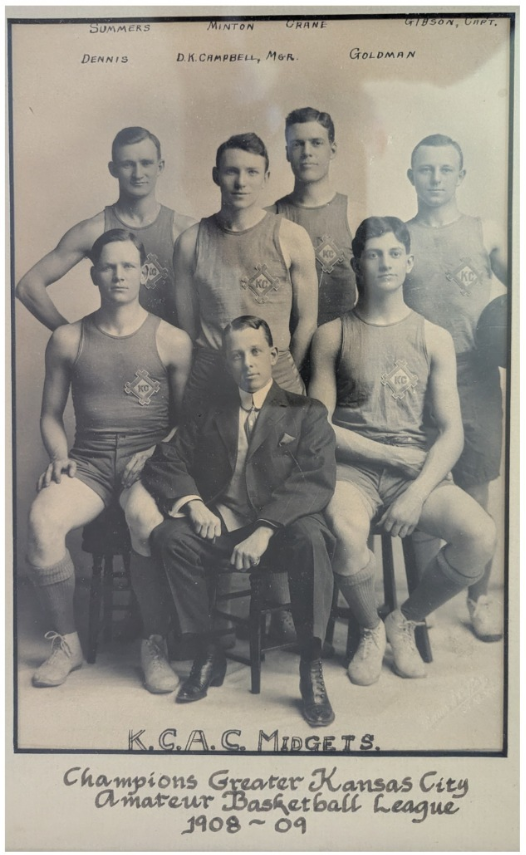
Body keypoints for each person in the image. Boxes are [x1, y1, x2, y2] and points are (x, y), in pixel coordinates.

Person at [309, 216, 496, 686]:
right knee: (348, 533)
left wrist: (415, 494)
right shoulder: (332, 333)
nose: (385, 263)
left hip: (416, 470)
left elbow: (452, 431)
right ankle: (371, 629)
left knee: (480, 535)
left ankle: (405, 620)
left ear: (409, 262)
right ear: (357, 265)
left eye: (394, 253)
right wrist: (389, 458)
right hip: (351, 469)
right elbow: (318, 426)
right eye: (374, 254)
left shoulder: (435, 337)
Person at [142, 316, 336, 727]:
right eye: (236, 355)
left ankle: (310, 666)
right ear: (226, 364)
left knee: (313, 540)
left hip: (282, 529)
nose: (247, 362)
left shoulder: (306, 413)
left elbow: (313, 481)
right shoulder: (210, 412)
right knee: (170, 537)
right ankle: (206, 649)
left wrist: (266, 529)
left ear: (273, 354)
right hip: (225, 524)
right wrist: (194, 504)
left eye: (255, 351)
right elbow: (165, 461)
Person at [26, 229, 192, 692]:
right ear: (94, 273)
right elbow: (50, 416)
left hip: (149, 464)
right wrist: (59, 457)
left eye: (128, 266)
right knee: (42, 520)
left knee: (142, 516)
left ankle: (152, 643)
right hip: (91, 463)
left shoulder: (172, 339)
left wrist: (158, 453)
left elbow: (186, 423)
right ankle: (68, 645)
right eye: (108, 266)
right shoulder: (67, 337)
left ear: (144, 272)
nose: (119, 274)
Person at [173, 132, 319, 637]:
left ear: (265, 177)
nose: (240, 181)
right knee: (217, 489)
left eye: (252, 172)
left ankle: (275, 611)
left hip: (274, 378)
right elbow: (190, 326)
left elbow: (305, 324)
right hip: (211, 381)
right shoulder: (192, 240)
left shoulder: (288, 235)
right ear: (216, 175)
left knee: (271, 486)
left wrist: (281, 374)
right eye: (231, 170)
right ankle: (218, 622)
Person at [404, 134, 507, 641]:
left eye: (447, 170)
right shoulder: (400, 238)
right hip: (417, 374)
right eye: (426, 170)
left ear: (461, 176)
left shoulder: (484, 231)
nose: (436, 179)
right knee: (422, 481)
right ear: (411, 177)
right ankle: (420, 605)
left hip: (475, 373)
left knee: (475, 482)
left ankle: (479, 597)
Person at [16, 126, 195, 329]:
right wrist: (73, 340)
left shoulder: (186, 229)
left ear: (160, 166)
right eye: (128, 164)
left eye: (146, 163)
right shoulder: (93, 230)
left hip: (174, 356)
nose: (138, 174)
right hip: (114, 357)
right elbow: (28, 287)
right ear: (113, 169)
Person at [270, 107, 356, 328]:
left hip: (343, 347)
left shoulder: (355, 213)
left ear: (333, 149)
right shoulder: (270, 216)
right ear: (287, 152)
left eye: (316, 143)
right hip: (288, 350)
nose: (307, 152)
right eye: (298, 144)